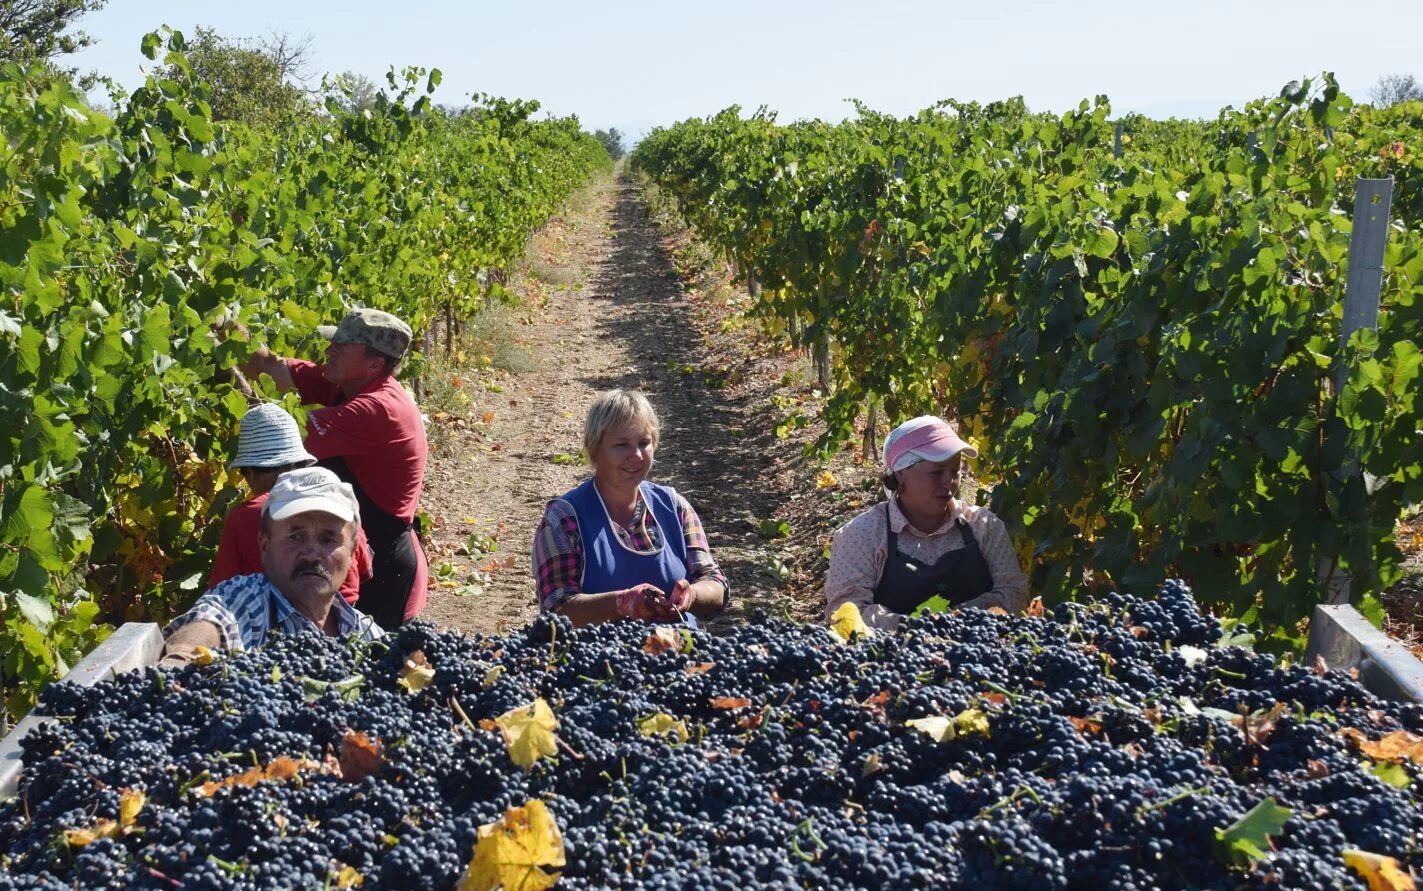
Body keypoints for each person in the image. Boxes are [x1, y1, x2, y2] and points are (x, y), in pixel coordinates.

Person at [242, 308, 428, 630]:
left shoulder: (377, 409)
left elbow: (275, 437)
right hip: (352, 551)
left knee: (371, 672)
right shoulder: (350, 386)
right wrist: (228, 332)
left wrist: (232, 372)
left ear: (374, 363)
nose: (329, 352)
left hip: (383, 569)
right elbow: (272, 368)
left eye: (341, 348)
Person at [532, 389, 729, 627]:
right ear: (595, 449)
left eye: (644, 443)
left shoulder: (674, 506)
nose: (635, 455)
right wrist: (621, 603)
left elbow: (715, 583)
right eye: (621, 445)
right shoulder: (564, 518)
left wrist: (693, 595)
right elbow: (557, 609)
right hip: (599, 660)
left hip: (678, 653)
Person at [825, 415, 1028, 632]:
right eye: (937, 472)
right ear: (901, 474)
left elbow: (1014, 595)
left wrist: (955, 619)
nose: (948, 482)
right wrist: (919, 629)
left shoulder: (984, 526)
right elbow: (845, 613)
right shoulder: (861, 535)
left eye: (955, 471)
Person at [161, 467, 381, 666]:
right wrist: (182, 657)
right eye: (296, 536)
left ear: (352, 554)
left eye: (327, 539)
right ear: (265, 546)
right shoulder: (248, 602)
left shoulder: (365, 634)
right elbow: (213, 619)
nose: (312, 554)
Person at [209, 403, 372, 605]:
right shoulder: (339, 499)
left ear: (250, 473)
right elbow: (364, 568)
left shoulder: (245, 517)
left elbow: (221, 596)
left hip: (274, 628)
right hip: (343, 623)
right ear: (301, 462)